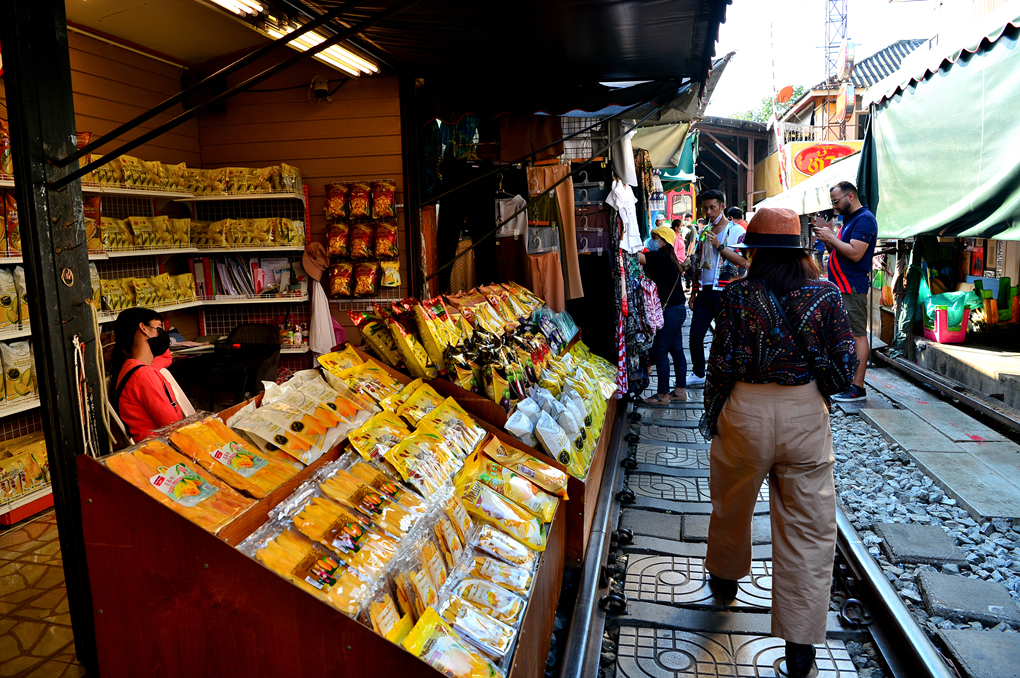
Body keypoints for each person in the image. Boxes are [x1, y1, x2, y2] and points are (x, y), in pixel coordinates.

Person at [701, 207, 857, 678]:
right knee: (810, 528)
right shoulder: (826, 295)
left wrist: (715, 414)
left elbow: (720, 364)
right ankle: (800, 647)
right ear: (800, 252)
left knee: (732, 501)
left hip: (745, 411)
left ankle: (725, 581)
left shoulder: (737, 295)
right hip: (804, 415)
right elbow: (844, 369)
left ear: (754, 252)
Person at [812, 181, 877, 401]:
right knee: (844, 335)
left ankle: (858, 387)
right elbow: (839, 251)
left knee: (858, 335)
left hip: (851, 286)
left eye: (836, 201)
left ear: (850, 196)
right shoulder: (850, 220)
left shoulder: (865, 219)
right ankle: (845, 381)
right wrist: (827, 238)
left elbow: (855, 253)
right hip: (841, 285)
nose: (834, 206)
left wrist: (831, 237)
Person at [686, 190, 748, 388]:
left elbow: (743, 262)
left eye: (712, 207)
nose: (708, 212)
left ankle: (725, 373)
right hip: (704, 292)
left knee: (726, 337)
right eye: (705, 208)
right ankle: (698, 373)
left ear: (722, 207)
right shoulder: (704, 230)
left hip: (726, 292)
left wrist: (719, 245)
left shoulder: (736, 231)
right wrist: (694, 292)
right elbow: (698, 263)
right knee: (695, 336)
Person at [110, 307, 185, 441]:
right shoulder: (143, 374)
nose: (163, 334)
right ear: (143, 328)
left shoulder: (132, 368)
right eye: (159, 328)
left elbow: (166, 358)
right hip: (162, 447)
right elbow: (172, 426)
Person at [638, 226, 688, 404]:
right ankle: (680, 390)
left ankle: (663, 394)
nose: (652, 241)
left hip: (672, 311)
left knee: (660, 350)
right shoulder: (671, 258)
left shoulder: (662, 257)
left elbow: (639, 257)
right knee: (676, 350)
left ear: (664, 242)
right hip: (678, 310)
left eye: (655, 238)